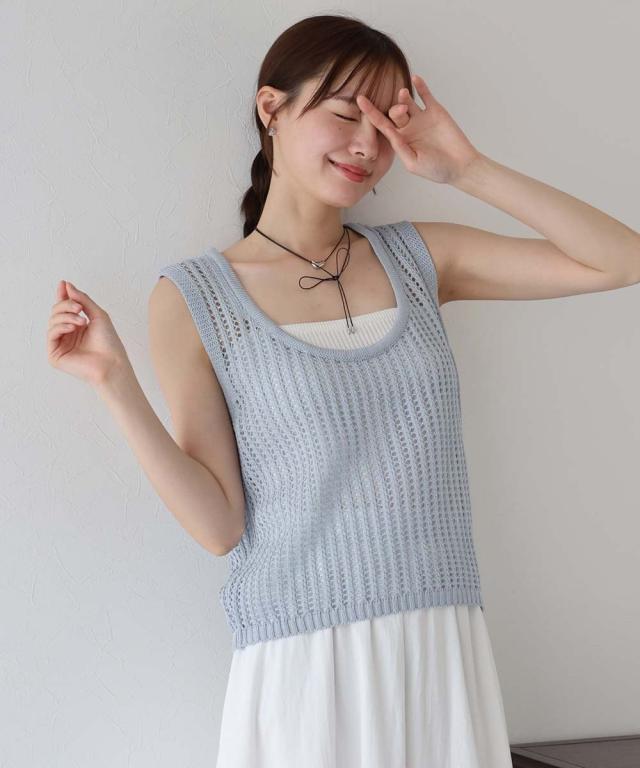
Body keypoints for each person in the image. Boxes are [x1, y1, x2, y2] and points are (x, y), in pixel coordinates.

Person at [47, 13, 640, 768]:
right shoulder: (197, 298)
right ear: (271, 108)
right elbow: (220, 527)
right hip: (303, 660)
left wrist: (467, 169)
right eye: (343, 113)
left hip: (439, 637)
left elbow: (621, 260)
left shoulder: (421, 259)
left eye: (385, 122)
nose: (368, 144)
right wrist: (114, 381)